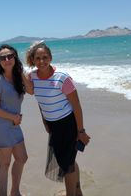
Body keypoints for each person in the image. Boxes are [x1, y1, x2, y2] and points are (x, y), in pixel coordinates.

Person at [25, 41, 91, 196]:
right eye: (38, 58)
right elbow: (40, 100)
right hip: (53, 126)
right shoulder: (32, 77)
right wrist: (44, 121)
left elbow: (77, 106)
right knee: (68, 160)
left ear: (51, 57)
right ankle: (77, 190)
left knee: (66, 163)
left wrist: (81, 131)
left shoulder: (62, 78)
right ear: (33, 60)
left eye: (45, 57)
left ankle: (71, 193)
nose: (42, 61)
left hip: (68, 124)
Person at [0, 44, 32, 196]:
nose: (7, 60)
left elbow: (31, 91)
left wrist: (20, 73)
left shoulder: (19, 76)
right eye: (3, 58)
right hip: (0, 125)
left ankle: (15, 192)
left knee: (22, 158)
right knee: (5, 163)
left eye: (10, 56)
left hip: (14, 124)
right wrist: (13, 117)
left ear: (15, 57)